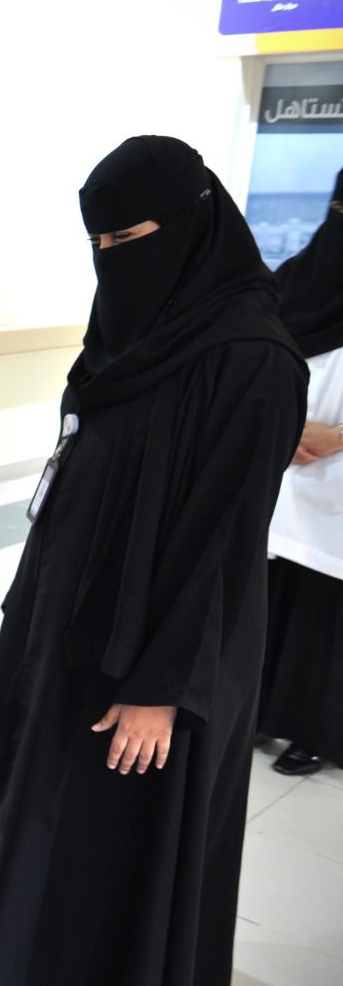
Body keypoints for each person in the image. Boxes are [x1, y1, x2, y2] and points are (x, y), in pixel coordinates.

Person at [0, 137, 308, 986]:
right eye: (97, 244)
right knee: (33, 802)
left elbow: (223, 543)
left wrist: (160, 688)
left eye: (126, 240)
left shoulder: (252, 359)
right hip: (64, 619)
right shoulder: (129, 333)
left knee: (111, 844)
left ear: (190, 225)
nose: (110, 261)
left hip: (162, 658)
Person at [259, 166, 343, 777]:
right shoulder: (292, 283)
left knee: (325, 611)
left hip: (335, 477)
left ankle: (314, 728)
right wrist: (282, 426)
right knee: (269, 592)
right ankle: (256, 708)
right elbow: (250, 359)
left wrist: (336, 437)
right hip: (279, 468)